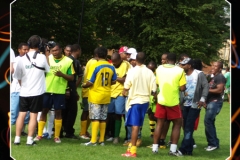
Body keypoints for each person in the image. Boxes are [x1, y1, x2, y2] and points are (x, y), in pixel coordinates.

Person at [34, 42, 75, 143]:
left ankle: (56, 136)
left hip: (59, 91)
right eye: (52, 51)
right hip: (46, 90)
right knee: (43, 111)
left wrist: (62, 75)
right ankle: (39, 135)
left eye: (56, 50)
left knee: (58, 112)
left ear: (61, 49)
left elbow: (72, 77)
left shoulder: (68, 61)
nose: (54, 52)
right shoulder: (48, 58)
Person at [13, 35, 50, 145]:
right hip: (37, 91)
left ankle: (17, 138)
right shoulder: (42, 57)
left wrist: (23, 86)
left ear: (28, 44)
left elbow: (18, 77)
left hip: (24, 91)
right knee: (33, 115)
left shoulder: (21, 59)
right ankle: (29, 139)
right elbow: (48, 69)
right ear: (40, 45)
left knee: (21, 114)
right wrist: (47, 54)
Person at [121, 52, 157, 157]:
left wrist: (124, 92)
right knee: (137, 125)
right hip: (145, 102)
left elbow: (126, 87)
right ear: (145, 61)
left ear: (135, 60)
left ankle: (132, 151)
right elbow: (153, 90)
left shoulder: (132, 71)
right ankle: (130, 149)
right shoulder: (150, 72)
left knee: (135, 126)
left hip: (135, 101)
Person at [152, 53, 186, 156]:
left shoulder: (159, 69)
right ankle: (173, 149)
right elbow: (182, 88)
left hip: (161, 100)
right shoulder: (180, 71)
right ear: (175, 61)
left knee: (159, 124)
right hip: (173, 101)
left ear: (166, 60)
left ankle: (155, 148)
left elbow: (157, 83)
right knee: (177, 124)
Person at [82, 47, 117, 146]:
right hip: (106, 95)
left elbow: (90, 82)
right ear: (106, 55)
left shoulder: (95, 66)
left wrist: (84, 85)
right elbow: (114, 81)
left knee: (95, 118)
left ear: (96, 55)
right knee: (103, 118)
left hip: (96, 95)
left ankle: (93, 140)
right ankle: (101, 140)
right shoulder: (111, 66)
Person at [178, 57, 209, 155]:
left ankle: (183, 149)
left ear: (189, 65)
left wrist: (202, 99)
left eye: (184, 65)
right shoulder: (182, 75)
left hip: (195, 104)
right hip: (185, 104)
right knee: (186, 126)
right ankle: (189, 150)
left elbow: (205, 86)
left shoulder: (199, 74)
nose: (182, 66)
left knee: (188, 126)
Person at [108, 51, 131, 144]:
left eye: (115, 61)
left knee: (118, 115)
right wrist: (118, 78)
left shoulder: (126, 65)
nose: (114, 63)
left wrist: (114, 77)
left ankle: (116, 137)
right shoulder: (110, 65)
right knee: (108, 115)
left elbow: (125, 79)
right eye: (112, 61)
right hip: (110, 92)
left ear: (120, 59)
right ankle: (106, 134)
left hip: (121, 93)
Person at [204, 61, 226, 151]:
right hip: (210, 102)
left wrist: (206, 90)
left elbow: (219, 90)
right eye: (212, 65)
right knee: (210, 122)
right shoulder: (213, 77)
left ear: (220, 69)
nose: (213, 67)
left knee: (208, 121)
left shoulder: (220, 77)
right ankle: (215, 143)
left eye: (215, 66)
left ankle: (212, 144)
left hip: (215, 102)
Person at [62, 44, 83, 139]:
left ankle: (60, 130)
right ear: (77, 50)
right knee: (71, 111)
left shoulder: (65, 60)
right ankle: (69, 131)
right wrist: (72, 89)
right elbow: (78, 76)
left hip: (64, 89)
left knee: (63, 111)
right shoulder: (72, 61)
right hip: (69, 88)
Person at [11, 43, 30, 136]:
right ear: (19, 50)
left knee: (26, 112)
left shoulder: (29, 60)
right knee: (13, 111)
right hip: (16, 90)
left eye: (27, 49)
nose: (26, 51)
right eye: (24, 49)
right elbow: (16, 75)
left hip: (27, 91)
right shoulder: (17, 60)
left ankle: (22, 130)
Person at [79, 52, 98, 139]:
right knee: (86, 111)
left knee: (89, 112)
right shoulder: (94, 63)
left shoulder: (90, 61)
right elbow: (91, 78)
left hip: (86, 90)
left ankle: (84, 131)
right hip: (88, 90)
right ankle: (82, 133)